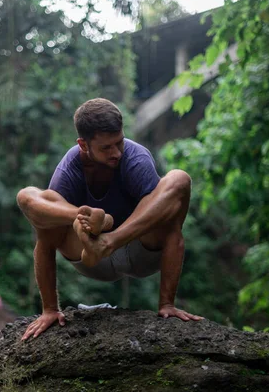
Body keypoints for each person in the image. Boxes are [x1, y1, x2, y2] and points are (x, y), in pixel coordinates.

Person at [16, 98, 203, 340]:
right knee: (30, 197)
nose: (116, 152)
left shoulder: (135, 157)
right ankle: (85, 218)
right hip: (90, 258)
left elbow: (169, 223)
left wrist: (111, 239)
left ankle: (110, 239)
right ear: (83, 144)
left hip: (142, 251)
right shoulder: (70, 167)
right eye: (106, 148)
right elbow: (45, 238)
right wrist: (49, 309)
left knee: (179, 179)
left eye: (119, 142)